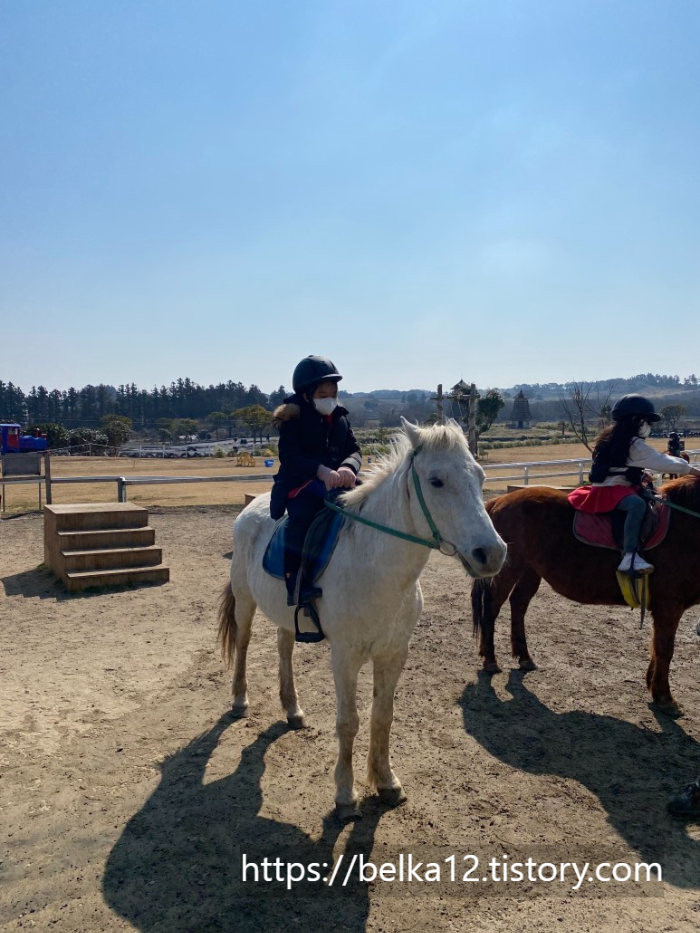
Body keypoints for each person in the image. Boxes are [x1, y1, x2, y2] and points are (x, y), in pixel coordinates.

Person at [568, 395, 700, 573]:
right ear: (637, 420)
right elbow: (663, 461)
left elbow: (618, 466)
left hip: (612, 487)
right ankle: (629, 556)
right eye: (647, 421)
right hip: (612, 491)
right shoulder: (633, 444)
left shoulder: (613, 438)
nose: (649, 426)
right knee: (637, 505)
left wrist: (640, 474)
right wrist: (695, 472)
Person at [270, 355, 362, 606]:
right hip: (301, 483)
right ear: (307, 394)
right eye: (323, 394)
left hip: (338, 480)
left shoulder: (341, 418)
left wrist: (348, 466)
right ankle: (296, 582)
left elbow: (354, 449)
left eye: (333, 393)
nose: (329, 398)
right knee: (302, 518)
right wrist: (320, 471)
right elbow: (289, 457)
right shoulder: (293, 420)